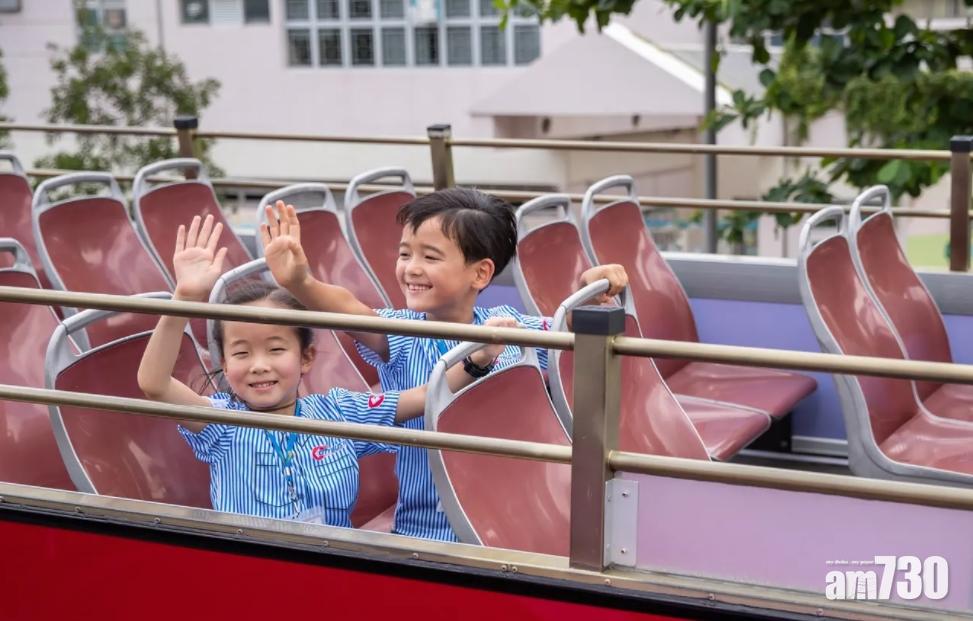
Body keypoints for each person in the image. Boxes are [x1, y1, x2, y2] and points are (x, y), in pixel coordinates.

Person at [262, 188, 628, 541]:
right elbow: (350, 309)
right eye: (405, 254)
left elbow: (568, 328)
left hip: (512, 520)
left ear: (480, 273)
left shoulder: (507, 324)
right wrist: (300, 282)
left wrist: (591, 292)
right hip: (430, 528)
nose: (411, 268)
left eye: (430, 257)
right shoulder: (402, 334)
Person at [137, 214, 510, 526]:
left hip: (332, 566)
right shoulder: (222, 423)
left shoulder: (337, 412)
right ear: (224, 363)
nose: (259, 366)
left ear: (306, 358)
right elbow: (154, 384)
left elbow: (425, 395)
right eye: (241, 353)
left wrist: (477, 361)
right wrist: (184, 298)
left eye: (276, 349)